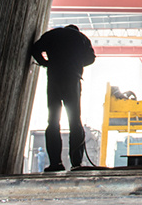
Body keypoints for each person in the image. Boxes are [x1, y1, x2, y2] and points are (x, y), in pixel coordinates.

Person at [30, 24, 96, 171]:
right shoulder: (81, 38)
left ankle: (55, 163)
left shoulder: (52, 34)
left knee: (53, 121)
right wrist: (76, 63)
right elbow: (91, 58)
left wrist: (46, 63)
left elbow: (35, 49)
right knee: (74, 121)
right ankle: (76, 163)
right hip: (73, 80)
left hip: (54, 80)